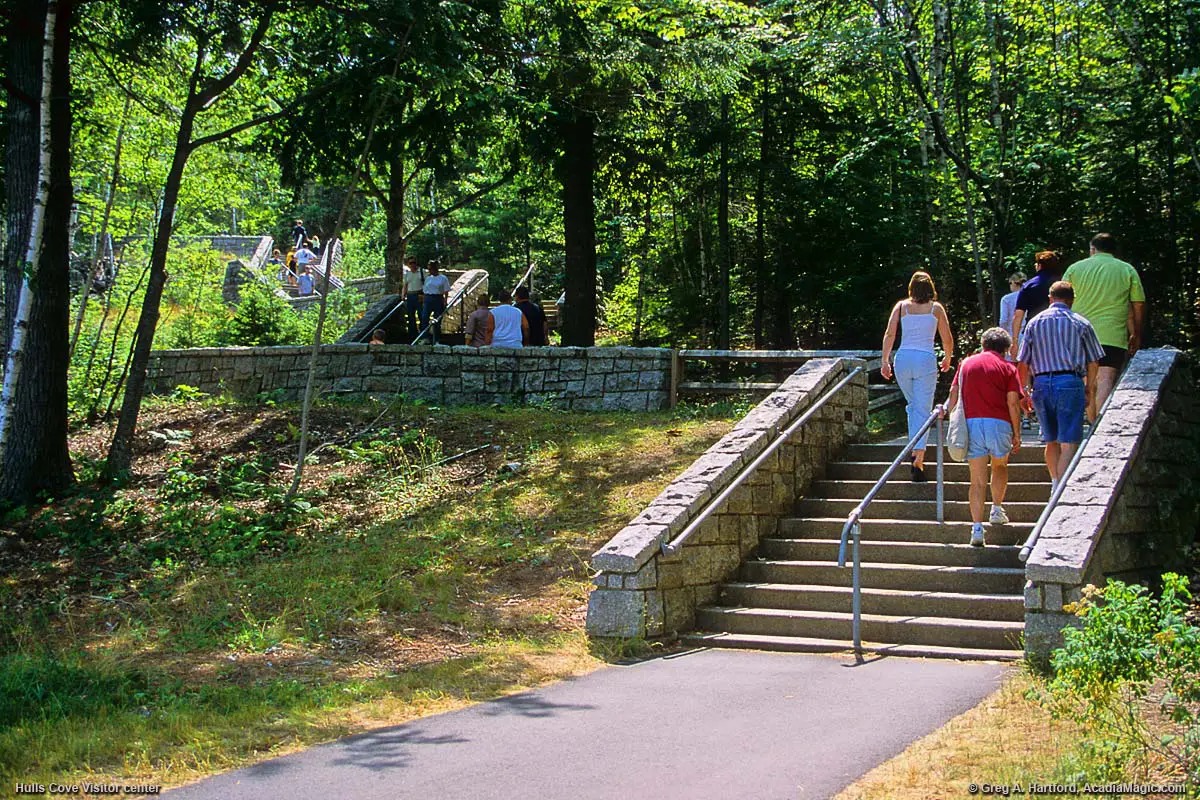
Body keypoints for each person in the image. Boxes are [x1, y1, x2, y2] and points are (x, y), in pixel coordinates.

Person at [1017, 281, 1105, 492]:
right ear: (1071, 300)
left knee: (1050, 440)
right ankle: (1061, 490)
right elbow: (1094, 361)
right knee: (1068, 441)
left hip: (1041, 384)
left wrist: (1024, 390)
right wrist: (1089, 388)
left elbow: (1023, 362)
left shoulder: (1034, 323)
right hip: (1069, 382)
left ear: (1050, 298)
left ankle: (1055, 482)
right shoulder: (1081, 323)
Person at [946, 327, 1024, 547]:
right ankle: (997, 510)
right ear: (1006, 349)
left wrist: (952, 421)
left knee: (977, 480)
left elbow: (954, 394)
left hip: (971, 423)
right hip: (999, 423)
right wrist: (1017, 433)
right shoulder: (1008, 367)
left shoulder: (966, 364)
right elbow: (1012, 402)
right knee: (999, 467)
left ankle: (977, 529)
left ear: (983, 344)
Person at [880, 271, 954, 481]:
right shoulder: (936, 308)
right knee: (922, 408)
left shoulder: (901, 307)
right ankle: (917, 456)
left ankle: (915, 452)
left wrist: (885, 360)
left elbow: (890, 334)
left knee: (913, 406)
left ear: (911, 288)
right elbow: (946, 337)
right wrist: (948, 358)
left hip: (903, 358)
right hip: (925, 358)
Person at [1061, 233, 1146, 416]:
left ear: (1092, 249)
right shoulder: (1126, 269)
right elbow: (1137, 304)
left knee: (1086, 379)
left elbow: (1062, 299)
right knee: (1106, 376)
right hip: (1112, 334)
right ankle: (1099, 423)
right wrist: (1136, 333)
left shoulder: (1075, 268)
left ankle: (1091, 422)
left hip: (1079, 334)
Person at [1008, 250, 1061, 359]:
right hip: (1059, 329)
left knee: (1031, 367)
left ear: (1040, 266)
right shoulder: (1061, 283)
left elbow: (1018, 315)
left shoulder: (1029, 285)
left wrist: (1015, 341)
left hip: (1035, 330)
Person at [420, 261, 451, 343]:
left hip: (438, 298)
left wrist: (445, 301)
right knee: (424, 318)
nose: (429, 271)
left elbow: (446, 291)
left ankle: (436, 338)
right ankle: (425, 337)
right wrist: (424, 301)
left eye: (430, 269)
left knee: (437, 319)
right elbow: (425, 290)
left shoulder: (443, 278)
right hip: (428, 298)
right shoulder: (428, 278)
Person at [998, 272, 1026, 358]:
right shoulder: (1030, 297)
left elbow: (1003, 320)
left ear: (1013, 283)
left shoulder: (1006, 299)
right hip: (1027, 337)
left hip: (1011, 337)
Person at [400, 257, 424, 339]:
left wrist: (423, 295)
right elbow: (405, 285)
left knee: (421, 314)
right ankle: (412, 334)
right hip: (410, 295)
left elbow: (426, 284)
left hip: (419, 294)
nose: (412, 264)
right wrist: (403, 295)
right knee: (410, 315)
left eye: (413, 262)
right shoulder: (407, 274)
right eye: (410, 263)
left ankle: (422, 332)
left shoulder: (422, 272)